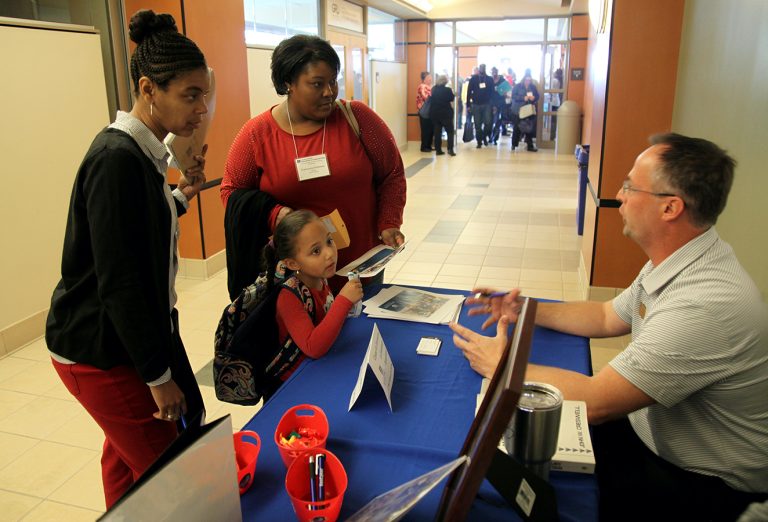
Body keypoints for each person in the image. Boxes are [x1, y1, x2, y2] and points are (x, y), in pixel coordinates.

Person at [450, 134, 768, 521]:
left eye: (632, 186)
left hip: (697, 481)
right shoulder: (680, 258)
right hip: (647, 435)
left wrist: (504, 367)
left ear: (670, 207)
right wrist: (525, 308)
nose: (619, 194)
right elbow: (606, 316)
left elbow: (596, 401)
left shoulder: (704, 305)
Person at [45, 9, 209, 508]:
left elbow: (135, 229)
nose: (200, 109)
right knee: (172, 472)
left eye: (203, 94)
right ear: (147, 88)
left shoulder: (142, 154)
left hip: (125, 335)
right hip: (98, 348)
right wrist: (158, 379)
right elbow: (120, 282)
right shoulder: (117, 158)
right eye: (189, 95)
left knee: (125, 455)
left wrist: (180, 196)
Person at [222, 34, 406, 300]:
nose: (329, 92)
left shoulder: (357, 118)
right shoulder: (256, 134)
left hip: (360, 267)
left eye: (333, 81)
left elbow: (392, 174)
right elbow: (231, 193)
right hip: (298, 277)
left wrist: (389, 221)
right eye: (317, 84)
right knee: (309, 339)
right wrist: (277, 215)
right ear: (289, 84)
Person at [260, 209, 363, 393]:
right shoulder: (289, 298)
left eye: (329, 241)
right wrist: (343, 301)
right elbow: (312, 347)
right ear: (292, 264)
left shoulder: (319, 278)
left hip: (322, 367)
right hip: (296, 384)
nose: (329, 253)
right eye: (316, 251)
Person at [466, 64, 494, 148]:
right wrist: (468, 105)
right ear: (479, 69)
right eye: (480, 68)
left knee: (488, 123)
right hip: (476, 104)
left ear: (485, 69)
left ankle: (484, 136)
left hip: (487, 104)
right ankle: (479, 142)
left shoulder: (489, 79)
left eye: (483, 68)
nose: (482, 69)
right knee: (477, 125)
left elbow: (492, 93)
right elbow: (469, 92)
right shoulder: (474, 79)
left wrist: (493, 105)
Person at [511, 73, 540, 152]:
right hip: (519, 110)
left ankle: (530, 146)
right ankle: (514, 144)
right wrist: (523, 98)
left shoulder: (532, 87)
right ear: (524, 79)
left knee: (529, 128)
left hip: (529, 110)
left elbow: (537, 96)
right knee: (517, 127)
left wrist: (533, 98)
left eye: (529, 80)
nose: (528, 82)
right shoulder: (517, 87)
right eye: (527, 80)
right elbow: (513, 96)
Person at [430, 74, 456, 157]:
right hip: (446, 113)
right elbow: (451, 98)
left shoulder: (433, 89)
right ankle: (450, 149)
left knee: (437, 132)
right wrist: (454, 94)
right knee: (450, 132)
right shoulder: (448, 90)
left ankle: (438, 150)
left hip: (435, 113)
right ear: (445, 81)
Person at [490, 67, 510, 145]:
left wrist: (505, 93)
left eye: (495, 72)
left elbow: (508, 91)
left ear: (497, 72)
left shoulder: (502, 81)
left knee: (498, 121)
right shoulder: (490, 81)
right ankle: (491, 136)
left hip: (501, 104)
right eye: (492, 72)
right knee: (491, 121)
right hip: (492, 104)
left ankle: (495, 137)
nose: (494, 73)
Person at [416, 71, 434, 152]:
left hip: (429, 112)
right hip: (424, 111)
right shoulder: (422, 87)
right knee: (425, 130)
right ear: (424, 79)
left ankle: (429, 146)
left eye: (430, 77)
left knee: (430, 129)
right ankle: (424, 147)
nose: (430, 79)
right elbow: (425, 97)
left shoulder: (430, 87)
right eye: (428, 78)